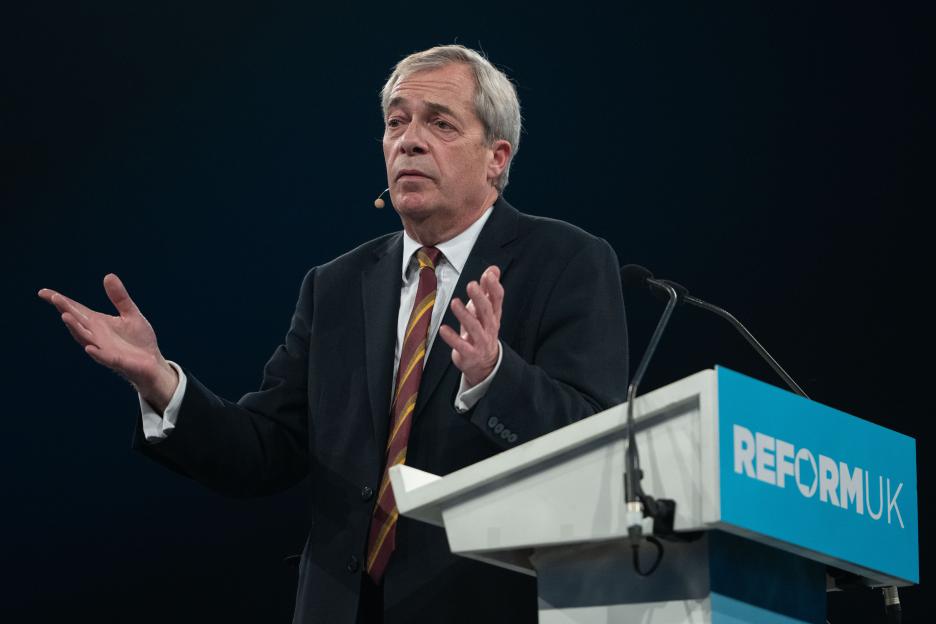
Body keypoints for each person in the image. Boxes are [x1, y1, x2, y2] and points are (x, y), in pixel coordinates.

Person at [39, 45, 629, 624]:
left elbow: (598, 443)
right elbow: (264, 450)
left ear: (496, 157)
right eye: (396, 122)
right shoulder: (336, 286)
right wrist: (163, 383)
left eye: (440, 123)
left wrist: (495, 377)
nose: (410, 140)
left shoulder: (566, 262)